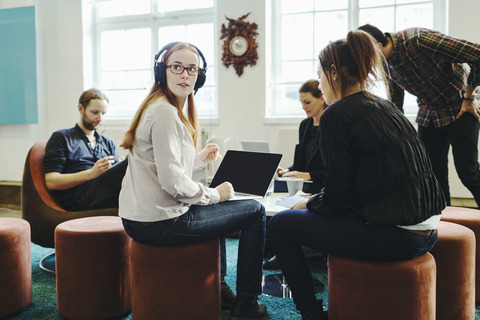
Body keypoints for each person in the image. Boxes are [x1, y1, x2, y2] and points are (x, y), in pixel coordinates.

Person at [268, 30, 446, 320]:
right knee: (320, 218)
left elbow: (338, 197)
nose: (321, 83)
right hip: (429, 231)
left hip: (399, 237)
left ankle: (311, 313)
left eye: (321, 74)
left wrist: (309, 204)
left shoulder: (336, 114)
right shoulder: (384, 105)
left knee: (281, 225)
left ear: (334, 73)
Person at [118, 42, 267, 320]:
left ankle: (220, 288)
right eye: (176, 67)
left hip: (141, 218)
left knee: (219, 210)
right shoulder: (166, 113)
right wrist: (216, 195)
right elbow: (173, 183)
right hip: (159, 222)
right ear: (162, 71)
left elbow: (161, 166)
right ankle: (247, 304)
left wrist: (198, 159)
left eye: (192, 69)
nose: (184, 74)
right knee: (255, 212)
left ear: (200, 76)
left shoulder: (160, 106)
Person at [358, 24, 480, 207]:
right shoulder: (385, 62)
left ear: (377, 46)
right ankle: (443, 226)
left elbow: (477, 54)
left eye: (367, 58)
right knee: (433, 176)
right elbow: (396, 100)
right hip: (429, 114)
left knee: (468, 173)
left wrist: (469, 96)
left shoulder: (418, 39)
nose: (369, 66)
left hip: (459, 107)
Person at [44, 88, 128, 211]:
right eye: (95, 112)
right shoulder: (61, 137)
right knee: (130, 163)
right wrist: (91, 174)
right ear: (81, 109)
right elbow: (51, 182)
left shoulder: (108, 142)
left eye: (103, 114)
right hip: (80, 198)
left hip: (106, 193)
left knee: (132, 162)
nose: (100, 118)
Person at [276, 79, 328, 194]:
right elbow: (304, 161)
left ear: (321, 99)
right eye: (301, 102)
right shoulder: (305, 125)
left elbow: (334, 169)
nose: (303, 107)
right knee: (275, 186)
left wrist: (309, 175)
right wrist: (287, 170)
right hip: (304, 183)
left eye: (307, 102)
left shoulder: (330, 126)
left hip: (320, 184)